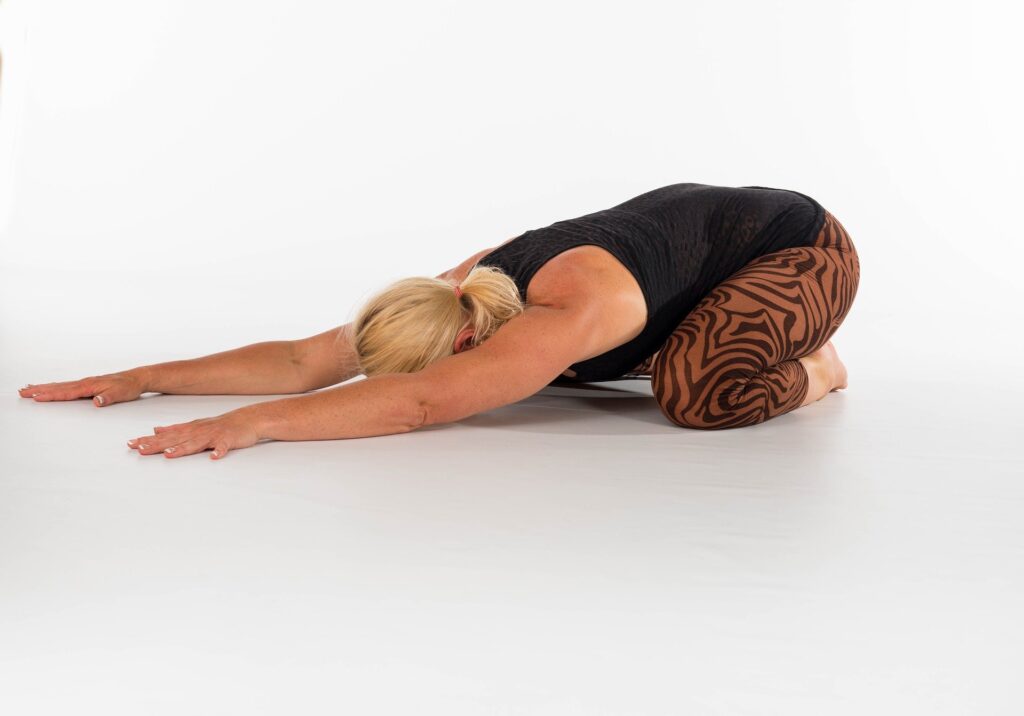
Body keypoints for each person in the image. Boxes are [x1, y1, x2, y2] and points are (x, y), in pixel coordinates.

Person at [18, 182, 859, 459]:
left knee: (693, 393)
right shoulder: (452, 291)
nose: (416, 376)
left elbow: (420, 404)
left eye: (433, 364)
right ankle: (710, 329)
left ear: (464, 342)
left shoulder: (566, 305)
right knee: (579, 373)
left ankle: (819, 366)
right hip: (689, 251)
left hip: (796, 250)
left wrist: (247, 428)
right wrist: (143, 376)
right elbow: (304, 362)